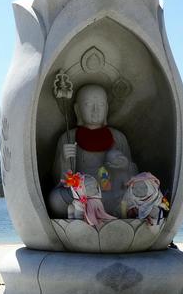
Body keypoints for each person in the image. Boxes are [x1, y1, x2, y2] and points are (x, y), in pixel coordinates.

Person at [49, 84, 137, 218]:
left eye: (101, 105)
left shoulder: (118, 137)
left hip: (110, 192)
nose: (95, 110)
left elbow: (132, 174)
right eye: (88, 104)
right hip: (81, 193)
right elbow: (59, 179)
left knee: (135, 193)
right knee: (55, 200)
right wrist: (64, 159)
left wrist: (123, 166)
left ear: (106, 108)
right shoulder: (68, 137)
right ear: (77, 110)